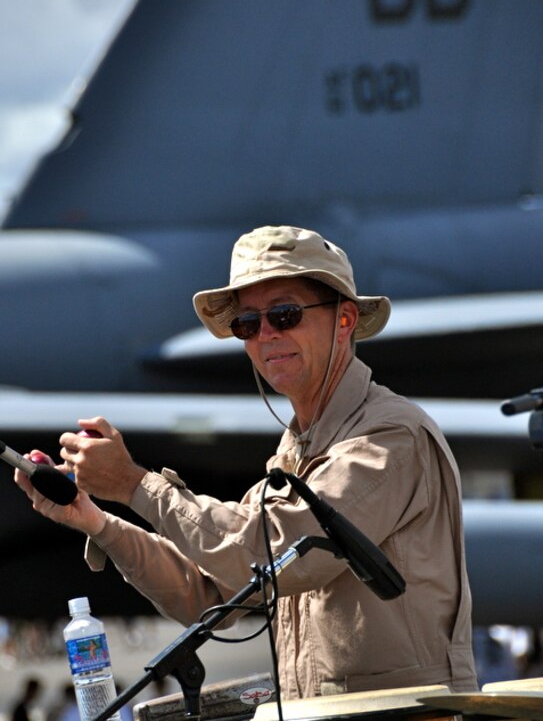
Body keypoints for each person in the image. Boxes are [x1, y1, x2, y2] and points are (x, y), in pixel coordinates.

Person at [15, 225, 477, 700]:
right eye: (247, 324)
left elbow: (269, 555)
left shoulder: (389, 434)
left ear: (344, 320)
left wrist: (135, 484)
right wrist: (96, 520)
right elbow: (209, 591)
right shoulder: (295, 451)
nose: (266, 336)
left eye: (285, 314)